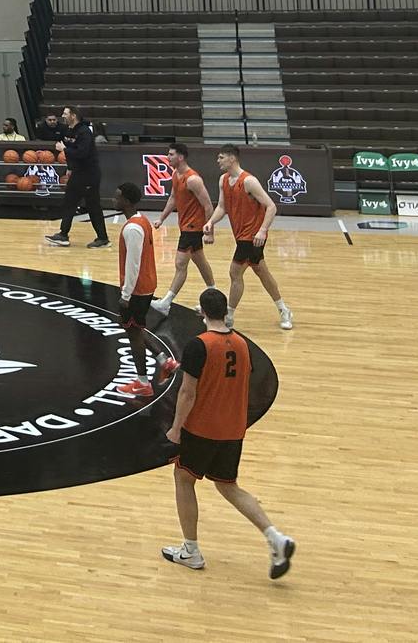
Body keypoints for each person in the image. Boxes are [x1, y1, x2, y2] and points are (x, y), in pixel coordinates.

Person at [161, 287, 295, 579]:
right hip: (233, 428)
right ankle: (275, 537)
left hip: (203, 427)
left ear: (202, 312)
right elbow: (224, 372)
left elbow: (188, 392)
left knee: (183, 479)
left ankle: (191, 550)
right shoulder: (242, 344)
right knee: (228, 485)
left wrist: (175, 428)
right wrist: (183, 367)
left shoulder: (200, 344)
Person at [206, 144, 293, 330]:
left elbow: (271, 206)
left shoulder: (249, 181)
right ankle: (284, 309)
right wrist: (211, 222)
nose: (218, 161)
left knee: (234, 272)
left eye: (221, 157)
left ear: (232, 158)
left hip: (253, 236)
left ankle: (228, 316)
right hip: (240, 235)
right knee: (262, 272)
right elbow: (222, 207)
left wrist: (262, 230)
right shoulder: (223, 180)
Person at [114, 182, 176, 398]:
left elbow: (133, 264)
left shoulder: (132, 228)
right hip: (146, 285)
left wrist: (125, 295)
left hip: (137, 289)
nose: (115, 200)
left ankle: (143, 383)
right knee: (135, 329)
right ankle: (165, 362)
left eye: (118, 197)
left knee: (134, 335)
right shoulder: (142, 221)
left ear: (127, 201)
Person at [153, 143, 215, 315]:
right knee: (201, 262)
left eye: (171, 154)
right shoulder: (175, 174)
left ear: (180, 157)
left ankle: (166, 302)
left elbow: (208, 205)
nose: (168, 157)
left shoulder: (193, 179)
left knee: (180, 264)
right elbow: (173, 198)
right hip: (185, 226)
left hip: (193, 227)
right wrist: (161, 218)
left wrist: (209, 232)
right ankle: (214, 294)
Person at [43, 106, 107, 248]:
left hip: (89, 174)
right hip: (78, 173)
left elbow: (81, 153)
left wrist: (64, 149)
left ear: (73, 116)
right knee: (69, 202)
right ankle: (63, 234)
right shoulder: (68, 131)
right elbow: (71, 155)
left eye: (65, 114)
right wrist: (70, 168)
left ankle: (102, 238)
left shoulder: (84, 132)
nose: (62, 116)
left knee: (92, 206)